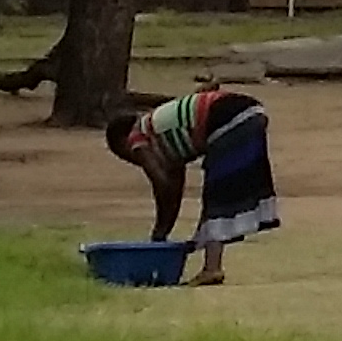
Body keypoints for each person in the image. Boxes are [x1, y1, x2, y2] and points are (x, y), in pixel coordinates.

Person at [107, 82, 282, 286]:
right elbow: (173, 192)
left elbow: (161, 185)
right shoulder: (168, 142)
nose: (134, 161)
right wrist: (161, 234)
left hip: (227, 117)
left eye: (126, 156)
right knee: (222, 190)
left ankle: (212, 268)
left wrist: (159, 235)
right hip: (251, 112)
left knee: (217, 192)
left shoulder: (138, 137)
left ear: (124, 142)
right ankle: (212, 264)